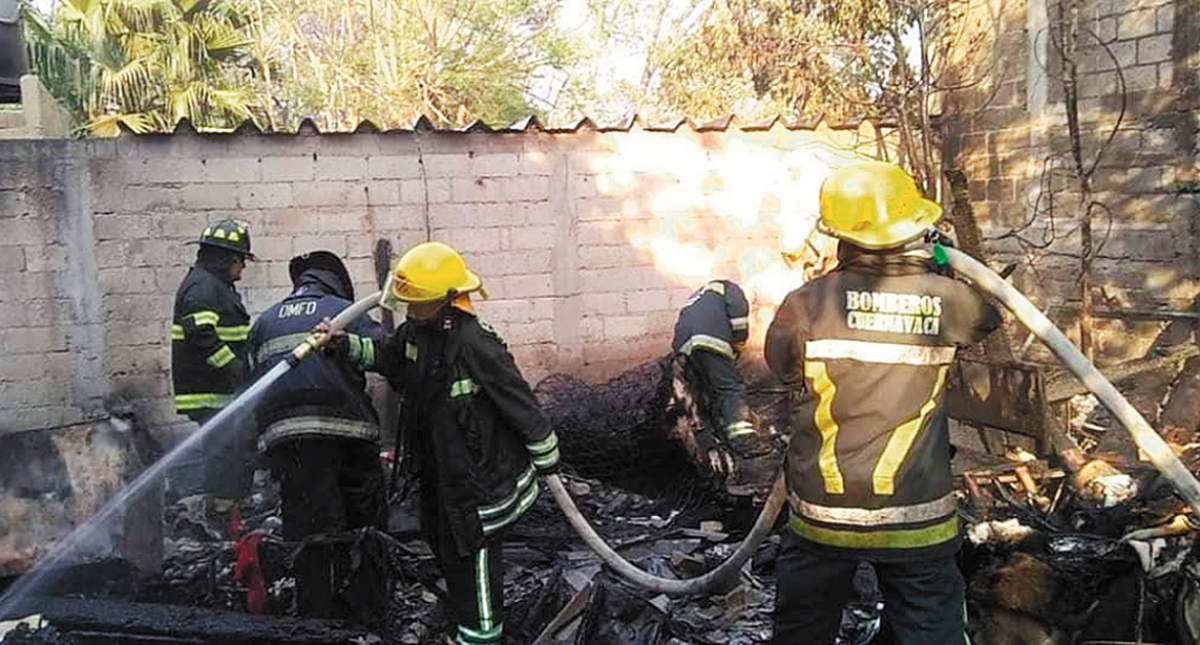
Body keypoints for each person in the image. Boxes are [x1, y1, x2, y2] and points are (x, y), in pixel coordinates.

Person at [764, 161, 1003, 644]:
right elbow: (989, 318)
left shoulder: (806, 303)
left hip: (820, 515)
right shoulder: (950, 300)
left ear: (840, 236)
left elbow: (781, 365)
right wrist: (936, 271)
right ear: (909, 227)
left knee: (801, 632)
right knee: (930, 631)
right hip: (916, 515)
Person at [365, 241, 561, 645]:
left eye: (418, 302)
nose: (410, 310)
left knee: (475, 559)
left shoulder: (475, 342)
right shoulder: (418, 331)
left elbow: (520, 403)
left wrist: (547, 457)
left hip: (479, 481)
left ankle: (482, 636)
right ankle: (462, 621)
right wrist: (343, 346)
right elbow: (388, 357)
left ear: (449, 299)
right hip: (441, 475)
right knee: (444, 545)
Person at [245, 250, 387, 621]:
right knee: (365, 522)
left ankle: (317, 617)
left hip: (287, 441)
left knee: (310, 530)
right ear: (336, 281)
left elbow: (250, 384)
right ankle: (368, 609)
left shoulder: (265, 321)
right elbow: (384, 354)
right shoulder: (345, 311)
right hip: (348, 434)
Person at [169, 219, 256, 510]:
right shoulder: (202, 288)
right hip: (211, 391)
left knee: (232, 448)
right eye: (241, 261)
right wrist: (236, 370)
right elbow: (201, 336)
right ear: (228, 259)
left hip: (220, 390)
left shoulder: (214, 285)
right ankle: (223, 510)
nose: (243, 268)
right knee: (227, 451)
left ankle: (230, 506)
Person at [671, 278, 771, 458]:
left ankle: (716, 433)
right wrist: (739, 344)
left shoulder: (700, 297)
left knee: (708, 390)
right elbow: (739, 319)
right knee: (730, 388)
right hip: (709, 340)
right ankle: (744, 441)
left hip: (683, 346)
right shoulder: (732, 288)